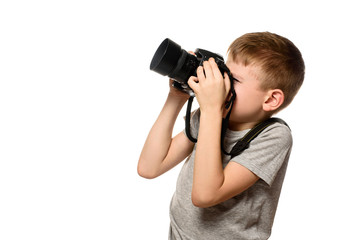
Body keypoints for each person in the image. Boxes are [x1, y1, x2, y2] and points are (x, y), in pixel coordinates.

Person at [138, 32, 305, 240]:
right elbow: (149, 167)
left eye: (233, 79)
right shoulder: (212, 116)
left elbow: (205, 195)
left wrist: (211, 112)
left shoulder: (273, 136)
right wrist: (177, 97)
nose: (221, 82)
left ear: (271, 99)